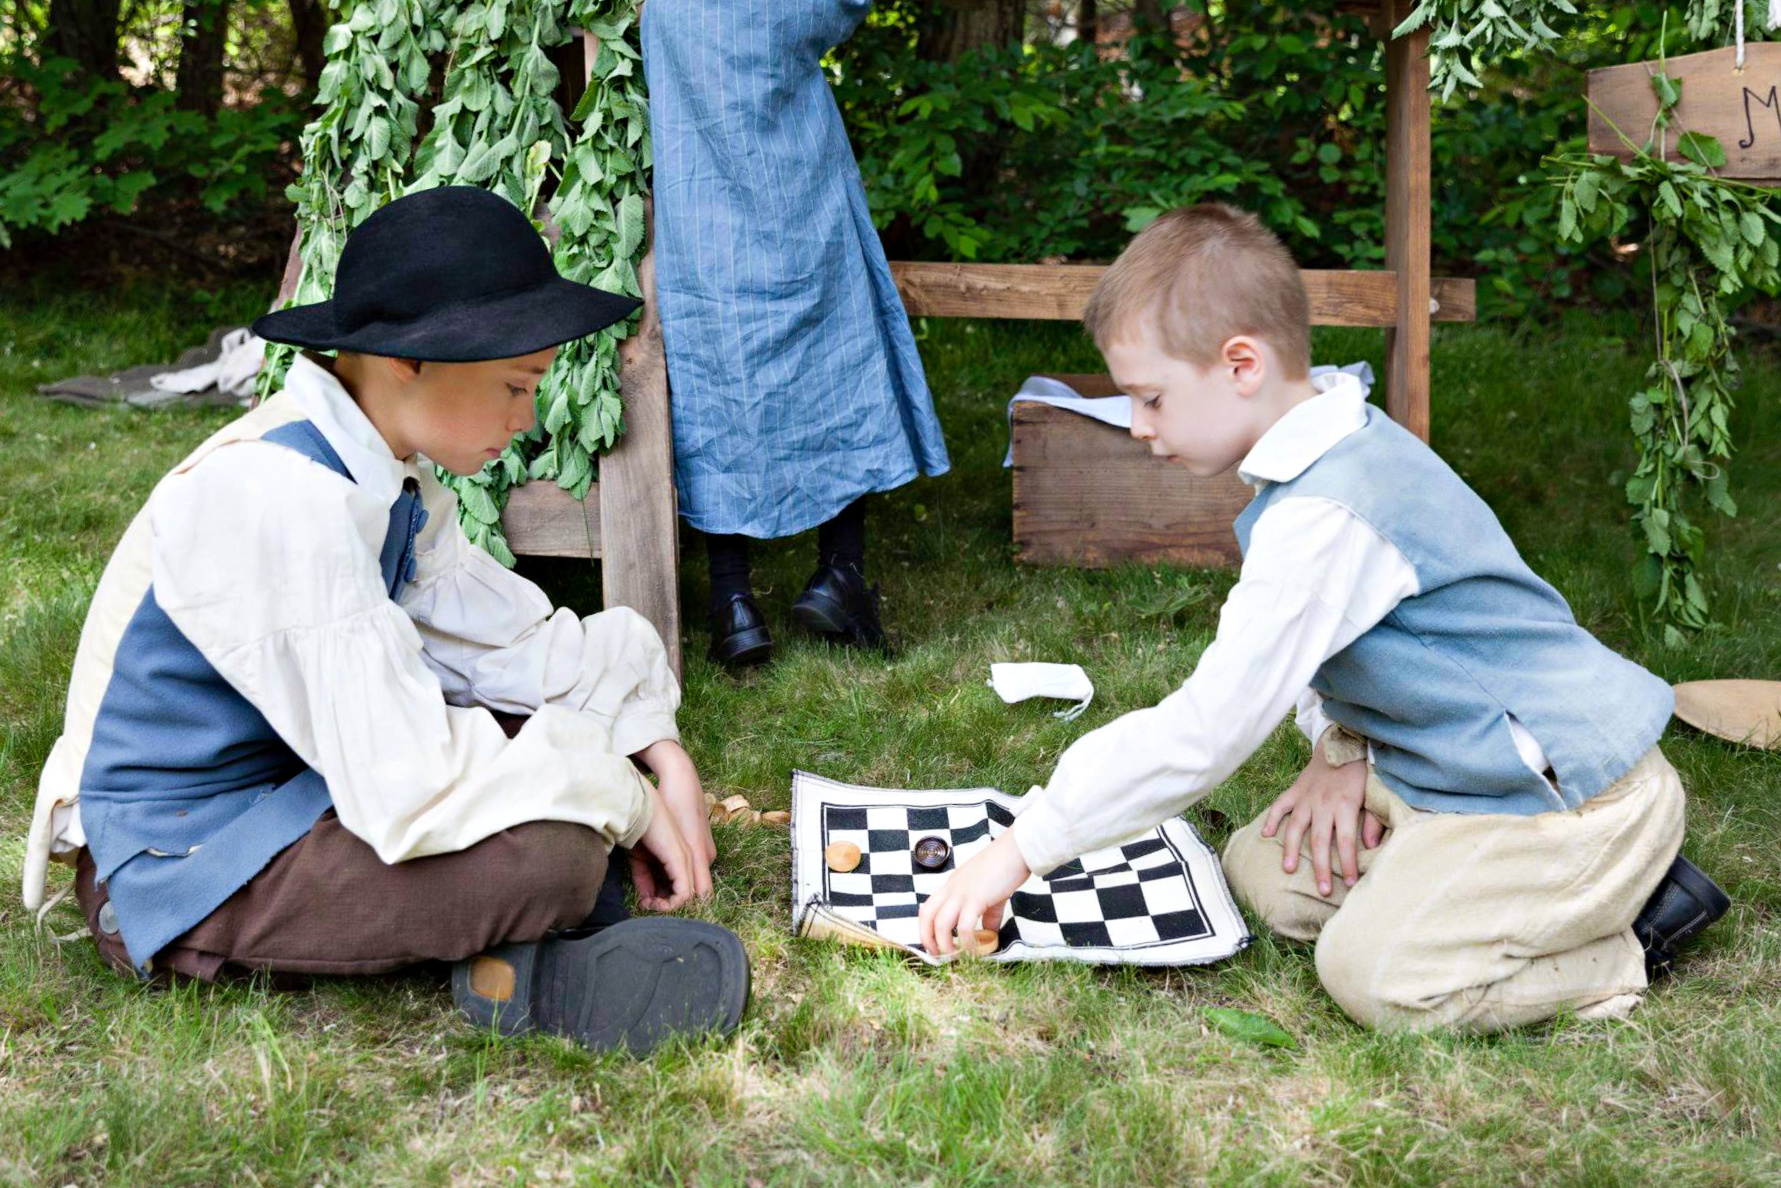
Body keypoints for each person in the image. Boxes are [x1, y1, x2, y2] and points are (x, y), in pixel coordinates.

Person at [918, 205, 1730, 1032]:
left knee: (1375, 979)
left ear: (1240, 364)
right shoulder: (1320, 455)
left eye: (1150, 397)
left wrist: (1020, 848)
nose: (1137, 425)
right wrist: (1339, 747)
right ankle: (1458, 900)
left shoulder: (1331, 510)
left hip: (1570, 799)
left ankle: (1627, 933)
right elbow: (1330, 646)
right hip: (1448, 774)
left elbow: (1206, 731)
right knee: (1263, 872)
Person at [21, 187, 750, 1056]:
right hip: (185, 862)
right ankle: (516, 953)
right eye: (514, 386)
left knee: (557, 746)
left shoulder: (383, 470)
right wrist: (623, 799)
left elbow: (505, 641)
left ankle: (522, 934)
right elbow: (406, 784)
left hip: (298, 784)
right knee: (552, 855)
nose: (524, 422)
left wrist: (651, 743)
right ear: (409, 360)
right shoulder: (282, 499)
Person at [642, 0, 951, 668]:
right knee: (838, 362)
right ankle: (839, 573)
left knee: (718, 383)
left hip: (703, 225)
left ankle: (734, 605)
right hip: (800, 193)